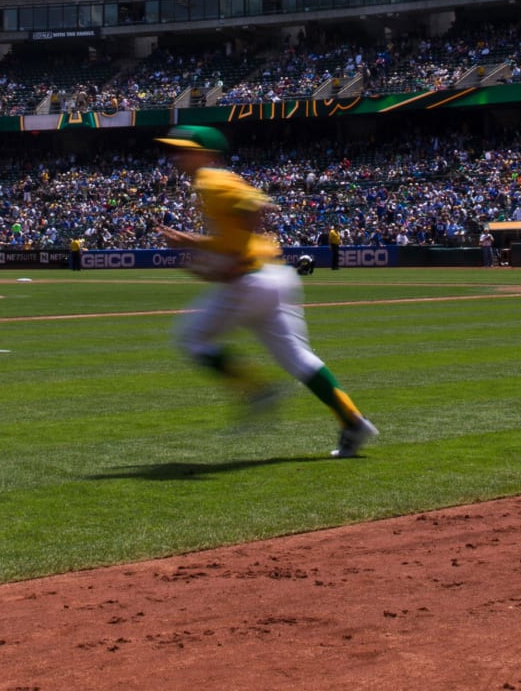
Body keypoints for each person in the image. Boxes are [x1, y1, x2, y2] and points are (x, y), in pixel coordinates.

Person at [156, 125, 378, 459]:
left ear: (205, 153)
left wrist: (234, 254)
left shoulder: (210, 180)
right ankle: (352, 421)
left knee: (190, 338)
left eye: (184, 149)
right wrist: (192, 241)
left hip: (250, 279)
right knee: (299, 359)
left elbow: (255, 208)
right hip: (276, 276)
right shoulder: (218, 180)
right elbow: (245, 219)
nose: (176, 155)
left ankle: (257, 391)